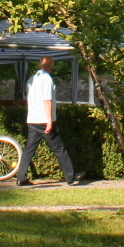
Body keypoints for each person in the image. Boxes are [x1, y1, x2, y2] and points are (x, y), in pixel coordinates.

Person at [15, 56, 80, 187]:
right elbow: (47, 100)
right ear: (51, 66)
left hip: (32, 119)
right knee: (58, 148)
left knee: (29, 149)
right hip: (44, 120)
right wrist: (49, 120)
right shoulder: (47, 79)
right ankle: (70, 177)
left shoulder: (31, 79)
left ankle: (20, 177)